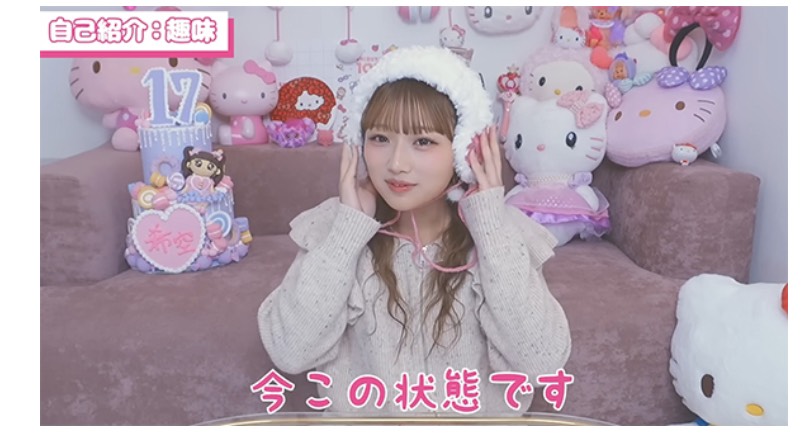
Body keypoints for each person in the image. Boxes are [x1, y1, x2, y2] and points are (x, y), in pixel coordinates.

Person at [257, 46, 571, 416]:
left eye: (423, 141)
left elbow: (541, 364)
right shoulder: (336, 227)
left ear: (464, 149)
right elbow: (291, 352)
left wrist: (489, 226)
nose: (396, 164)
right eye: (379, 138)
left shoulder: (502, 234)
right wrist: (347, 231)